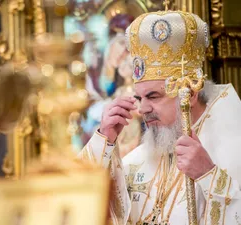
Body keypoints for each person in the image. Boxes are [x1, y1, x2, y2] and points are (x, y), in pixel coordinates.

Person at [79, 10, 241, 225]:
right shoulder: (144, 155)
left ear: (190, 94)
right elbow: (76, 202)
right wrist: (104, 141)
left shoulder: (234, 145)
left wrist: (209, 175)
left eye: (153, 96)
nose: (143, 108)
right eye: (139, 97)